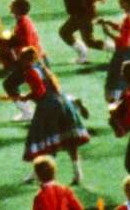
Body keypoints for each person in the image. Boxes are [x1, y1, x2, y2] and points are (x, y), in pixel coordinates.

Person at [18, 47, 89, 184]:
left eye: (22, 58)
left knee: (44, 140)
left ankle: (36, 173)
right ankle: (77, 173)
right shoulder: (43, 67)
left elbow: (39, 92)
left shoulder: (30, 72)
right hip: (63, 102)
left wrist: (26, 97)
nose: (20, 61)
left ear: (28, 59)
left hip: (48, 107)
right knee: (69, 140)